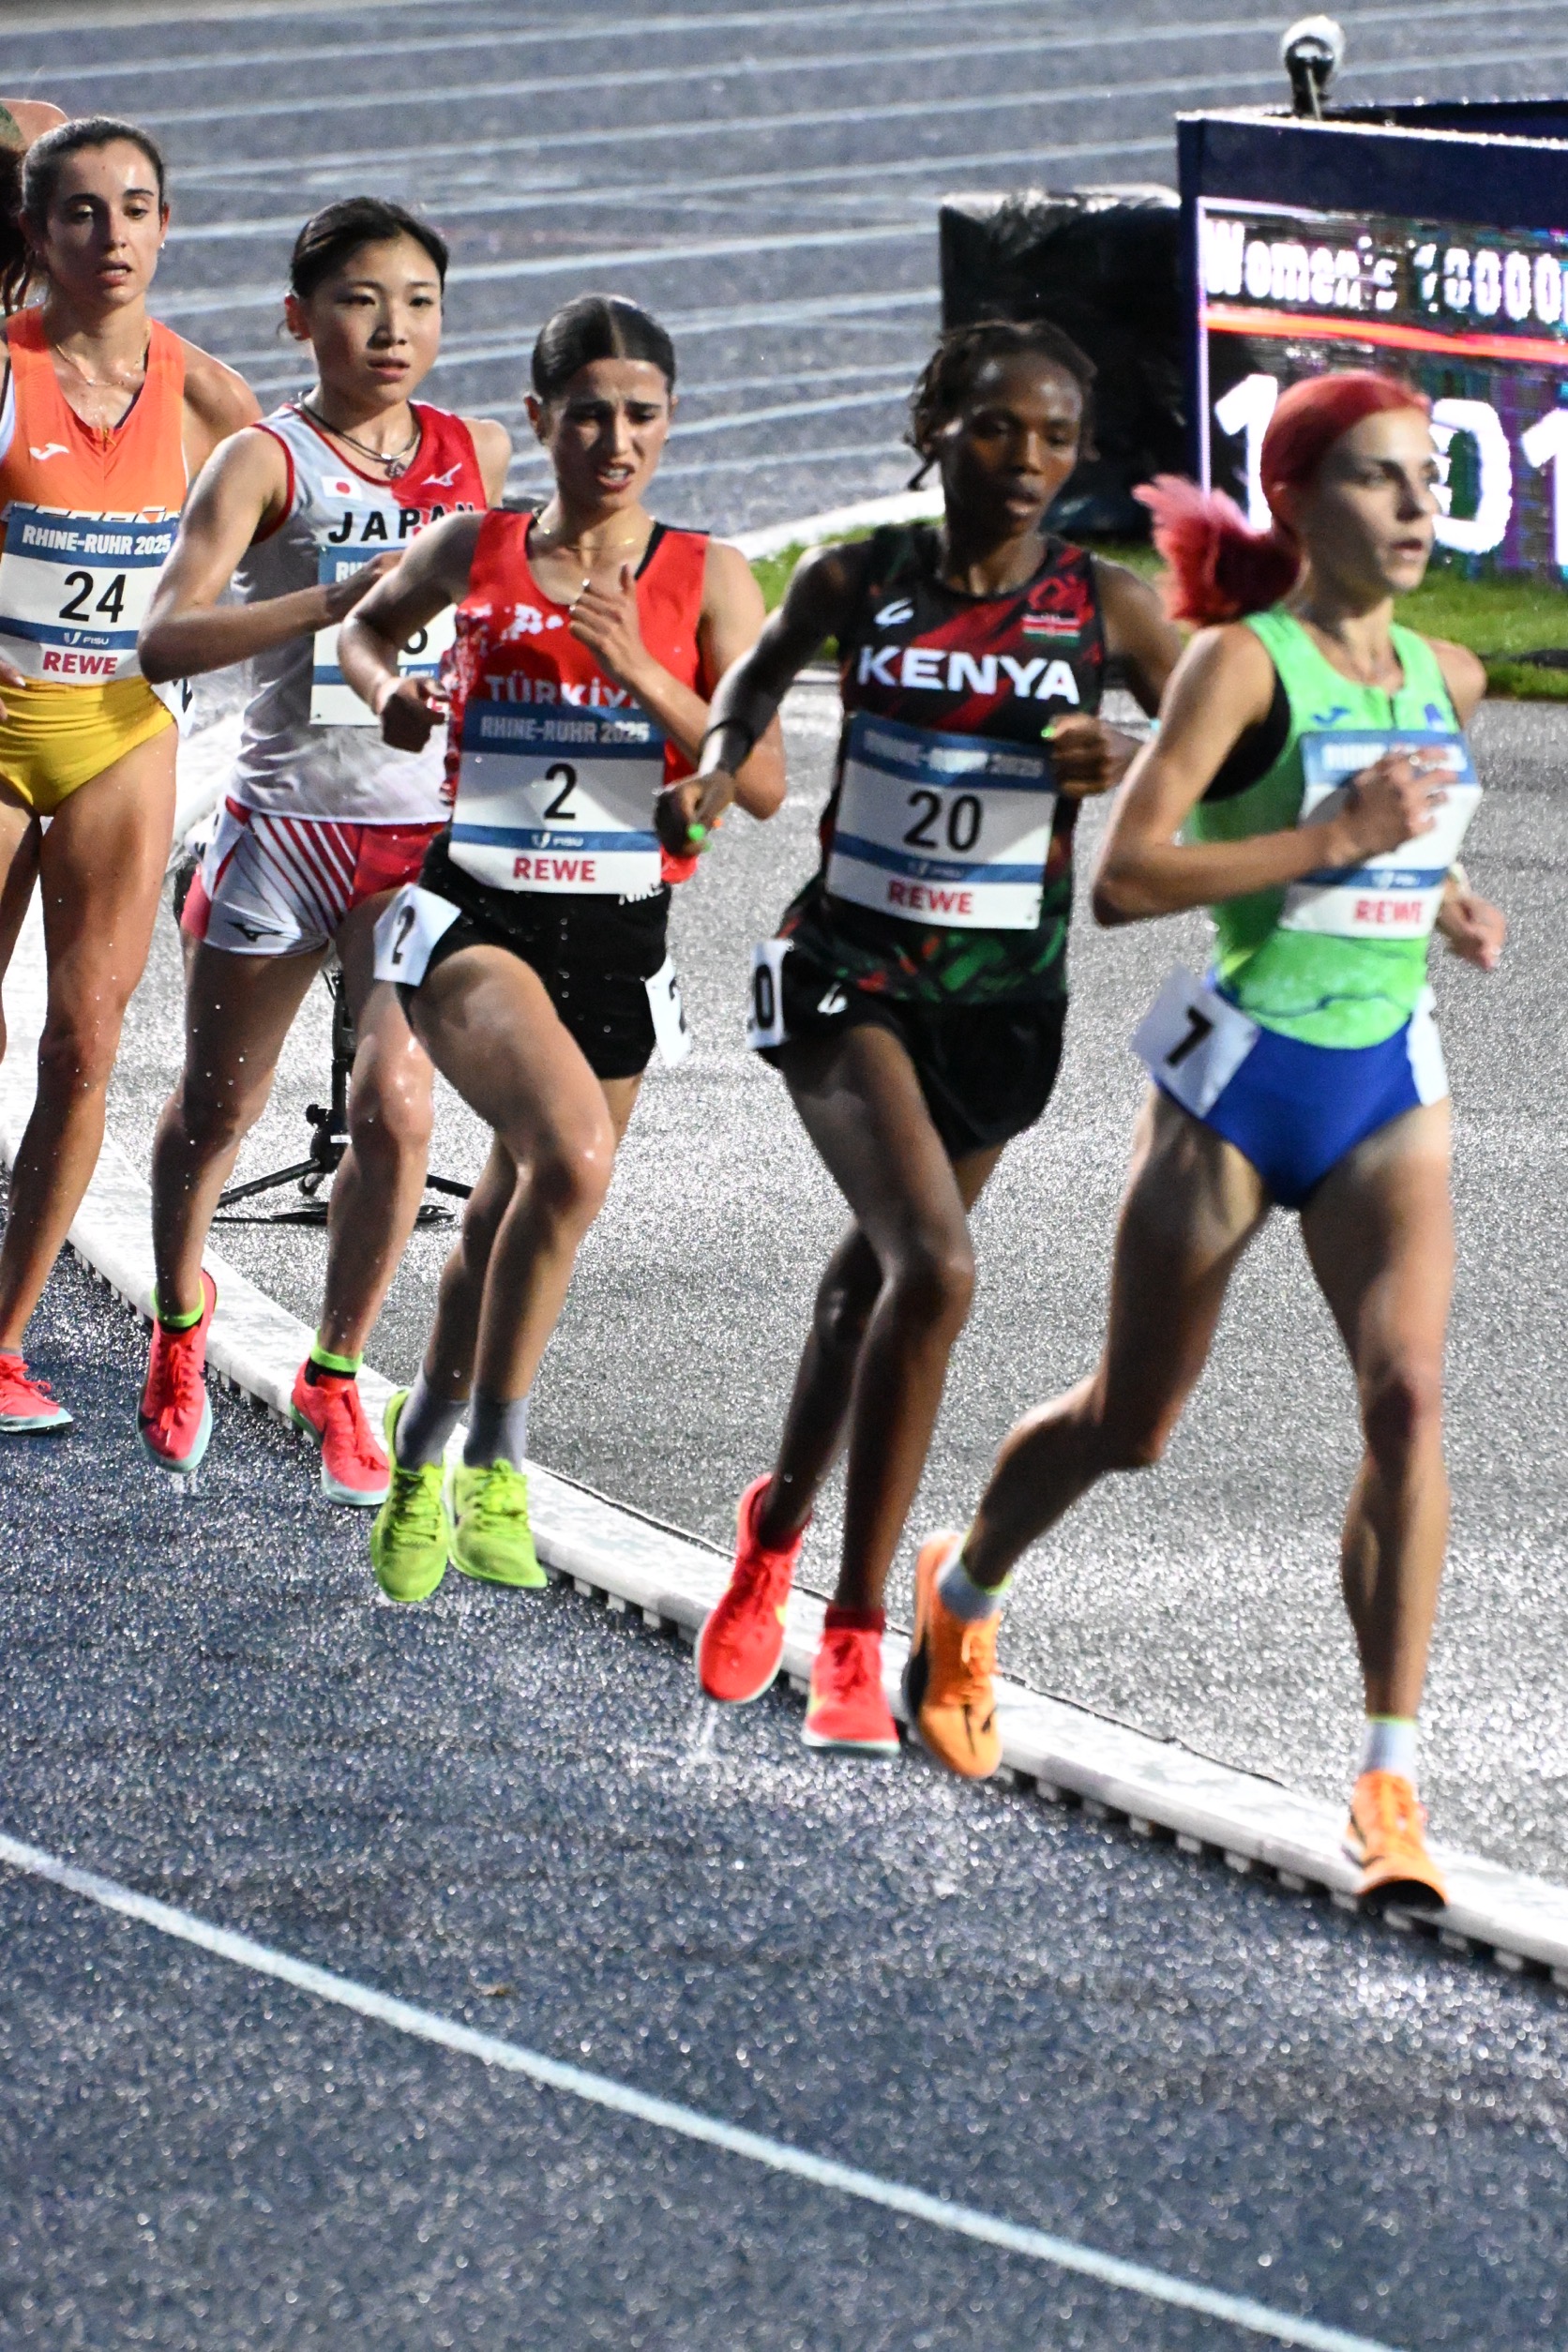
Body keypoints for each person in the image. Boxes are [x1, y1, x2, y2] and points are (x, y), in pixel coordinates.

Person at [912, 371, 1504, 1907]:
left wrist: (1439, 896)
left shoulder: (1449, 676)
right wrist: (1336, 842)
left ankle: (1388, 1783)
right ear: (1299, 501)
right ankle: (963, 1591)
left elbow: (1407, 825)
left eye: (1428, 478)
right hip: (1235, 1084)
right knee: (1132, 1420)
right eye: (1380, 480)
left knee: (1411, 1401)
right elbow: (1130, 878)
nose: (1417, 507)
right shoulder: (1244, 667)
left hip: (1386, 1080)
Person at [686, 318, 1182, 1756]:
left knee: (881, 1284)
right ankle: (849, 1625)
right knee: (937, 1269)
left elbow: (1233, 744)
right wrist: (717, 776)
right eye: (994, 428)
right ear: (936, 427)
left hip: (1005, 1005)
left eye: (1054, 437)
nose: (1024, 460)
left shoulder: (1112, 610)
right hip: (848, 977)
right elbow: (754, 684)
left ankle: (771, 1522)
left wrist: (1138, 756)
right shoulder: (861, 581)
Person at [337, 292, 785, 1601]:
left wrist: (646, 674)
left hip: (622, 930)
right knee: (573, 1158)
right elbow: (367, 631)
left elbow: (757, 785)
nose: (615, 438)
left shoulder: (711, 573)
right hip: (477, 914)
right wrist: (397, 696)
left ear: (672, 421)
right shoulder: (474, 544)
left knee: (521, 1198)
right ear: (537, 420)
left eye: (641, 414)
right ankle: (498, 1462)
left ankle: (420, 1440)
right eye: (587, 412)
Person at [134, 198, 509, 1497]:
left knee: (396, 1116)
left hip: (420, 837)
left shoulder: (481, 453)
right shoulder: (259, 460)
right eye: (360, 299)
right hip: (286, 827)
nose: (392, 327)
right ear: (300, 318)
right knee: (223, 1103)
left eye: (418, 301)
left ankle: (336, 1372)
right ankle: (180, 1322)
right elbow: (164, 642)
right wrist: (330, 602)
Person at [0, 115, 256, 1435]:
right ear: (37, 234)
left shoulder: (210, 397)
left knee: (84, 1044)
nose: (112, 236)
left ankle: (2, 1344)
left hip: (120, 733)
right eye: (83, 212)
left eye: (137, 209)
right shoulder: (6, 365)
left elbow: (311, 540)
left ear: (168, 228)